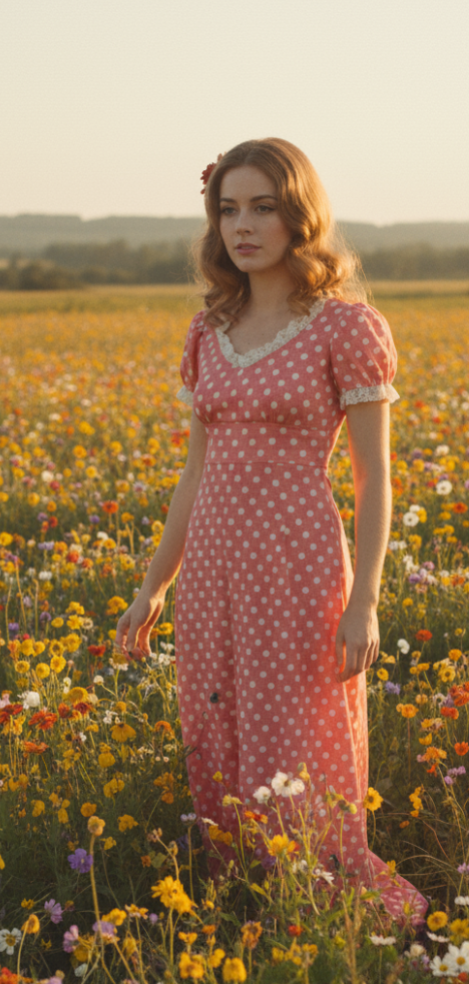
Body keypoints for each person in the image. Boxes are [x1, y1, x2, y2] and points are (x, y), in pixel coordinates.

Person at [115, 138, 427, 922]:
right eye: (227, 209)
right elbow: (196, 473)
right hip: (215, 566)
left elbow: (371, 477)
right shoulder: (207, 331)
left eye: (262, 207)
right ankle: (247, 897)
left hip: (296, 565)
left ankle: (318, 903)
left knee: (297, 741)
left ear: (298, 217)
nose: (242, 226)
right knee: (215, 730)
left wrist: (365, 602)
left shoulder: (342, 327)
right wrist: (155, 584)